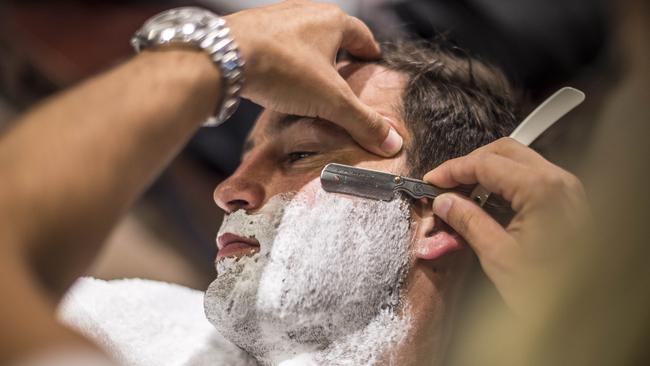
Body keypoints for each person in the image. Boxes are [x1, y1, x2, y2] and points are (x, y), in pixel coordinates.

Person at [0, 1, 591, 365]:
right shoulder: (117, 329)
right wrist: (225, 53)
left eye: (302, 153)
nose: (229, 191)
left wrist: (217, 56)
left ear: (437, 213)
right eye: (243, 158)